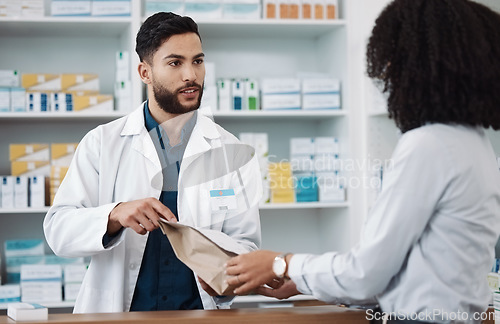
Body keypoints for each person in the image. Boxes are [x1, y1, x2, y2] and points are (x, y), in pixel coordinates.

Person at [225, 0, 500, 322]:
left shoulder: (429, 145)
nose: (385, 73)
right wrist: (303, 280)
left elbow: (365, 272)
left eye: (393, 61)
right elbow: (406, 273)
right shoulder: (474, 144)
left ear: (421, 65)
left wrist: (281, 263)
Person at [44, 12, 262, 313]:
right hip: (119, 314)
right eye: (175, 63)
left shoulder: (232, 151)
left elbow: (247, 245)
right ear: (145, 72)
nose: (191, 75)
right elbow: (58, 230)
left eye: (198, 61)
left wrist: (223, 272)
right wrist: (115, 215)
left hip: (198, 313)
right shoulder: (103, 143)